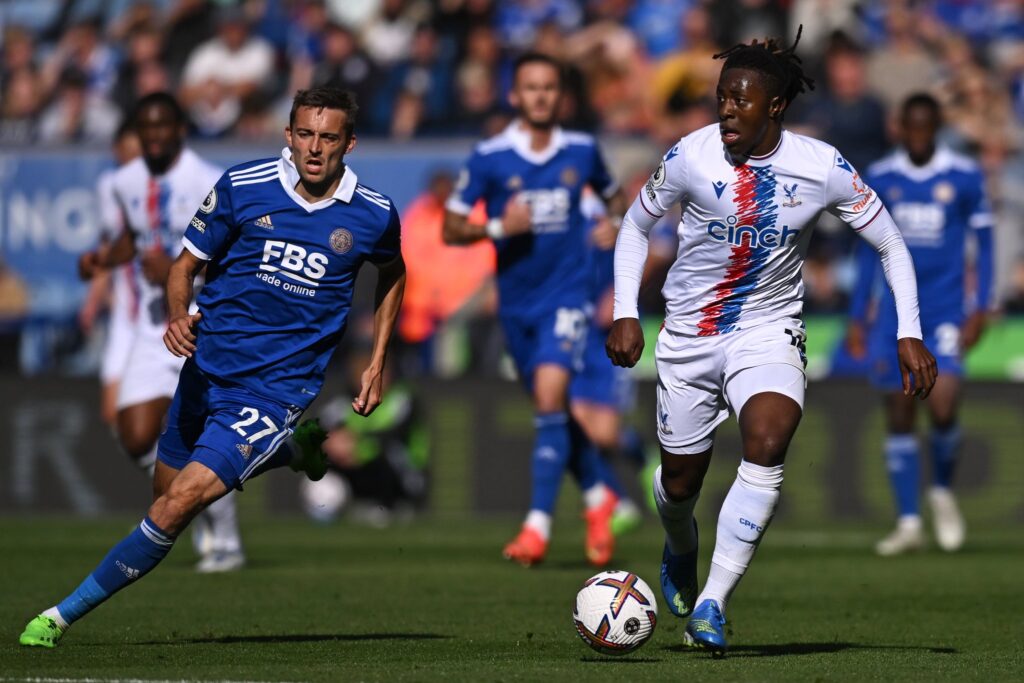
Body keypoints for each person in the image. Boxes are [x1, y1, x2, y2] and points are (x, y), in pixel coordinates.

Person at [19, 85, 406, 648]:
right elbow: (183, 266)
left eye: (328, 138)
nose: (314, 149)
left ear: (349, 142)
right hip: (205, 370)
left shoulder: (371, 214)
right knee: (163, 495)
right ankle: (296, 450)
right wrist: (177, 315)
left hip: (276, 390)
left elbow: (394, 274)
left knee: (177, 507)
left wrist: (377, 360)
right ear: (288, 135)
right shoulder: (241, 187)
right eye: (304, 134)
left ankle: (56, 617)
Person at [606, 29, 937, 655]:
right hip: (687, 335)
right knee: (680, 484)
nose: (726, 109)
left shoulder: (822, 167)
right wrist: (627, 310)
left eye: (740, 99)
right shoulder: (689, 156)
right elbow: (634, 226)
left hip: (769, 329)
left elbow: (891, 243)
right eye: (721, 97)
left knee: (767, 440)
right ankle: (679, 545)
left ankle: (712, 603)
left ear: (775, 106)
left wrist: (909, 330)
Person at [445, 52, 627, 567]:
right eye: (531, 87)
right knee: (553, 412)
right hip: (516, 307)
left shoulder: (583, 151)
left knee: (550, 396)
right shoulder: (490, 157)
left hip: (568, 296)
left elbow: (616, 201)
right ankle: (599, 496)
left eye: (549, 87)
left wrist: (614, 225)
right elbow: (450, 227)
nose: (541, 96)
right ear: (514, 95)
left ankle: (537, 527)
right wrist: (501, 227)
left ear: (559, 95)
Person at [76, 92, 245, 574]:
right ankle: (207, 495)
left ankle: (224, 536)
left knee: (208, 429)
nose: (153, 137)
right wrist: (101, 259)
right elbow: (131, 237)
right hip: (154, 327)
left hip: (201, 323)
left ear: (179, 131)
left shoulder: (206, 179)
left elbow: (232, 255)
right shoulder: (125, 181)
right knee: (133, 434)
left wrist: (179, 270)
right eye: (145, 129)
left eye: (161, 128)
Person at [846, 93, 994, 556]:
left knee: (945, 404)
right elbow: (866, 251)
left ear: (935, 129)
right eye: (910, 129)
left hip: (946, 306)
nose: (917, 137)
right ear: (899, 129)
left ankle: (942, 490)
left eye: (925, 129)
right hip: (893, 311)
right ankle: (909, 521)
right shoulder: (883, 178)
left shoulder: (964, 176)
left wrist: (981, 306)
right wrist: (858, 312)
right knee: (900, 411)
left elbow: (985, 245)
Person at [79, 120, 141, 428]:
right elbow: (108, 249)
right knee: (112, 411)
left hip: (163, 313)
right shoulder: (109, 186)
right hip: (125, 315)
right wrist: (94, 300)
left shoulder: (163, 185)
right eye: (126, 150)